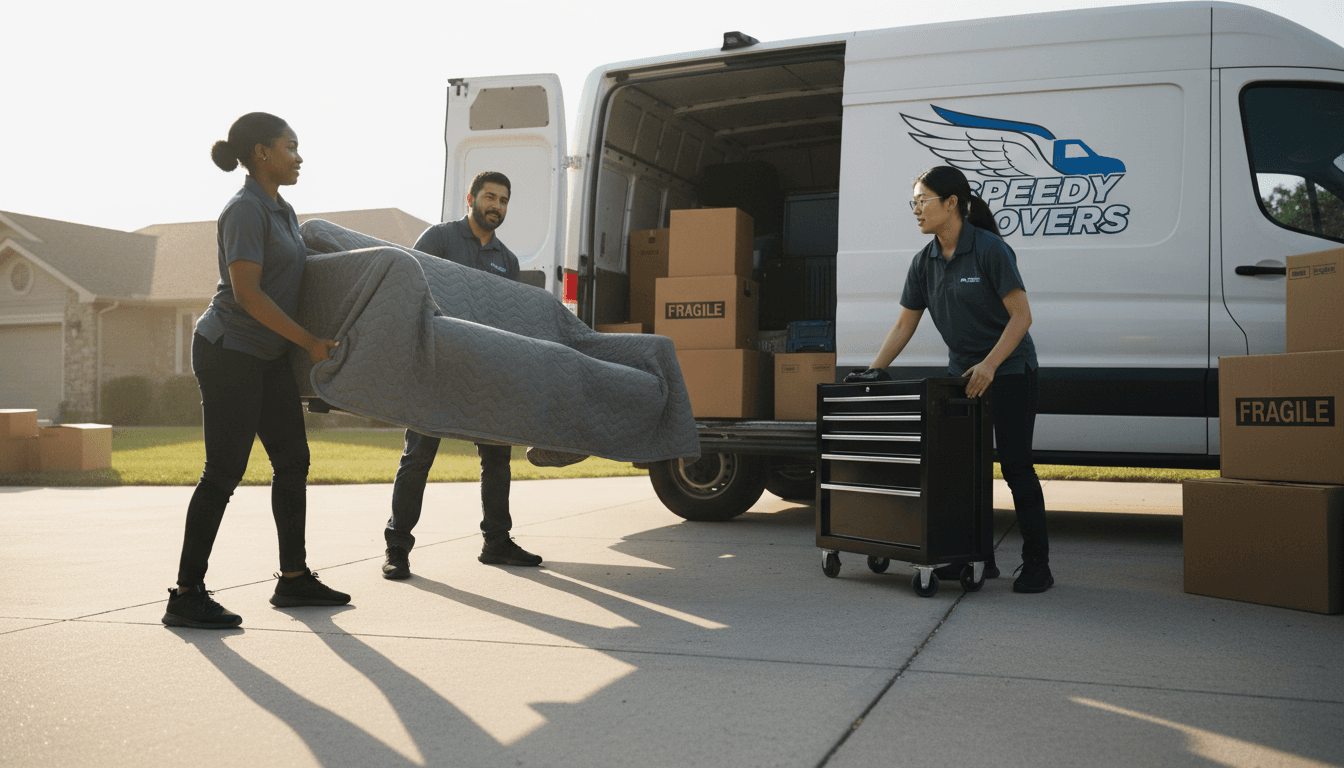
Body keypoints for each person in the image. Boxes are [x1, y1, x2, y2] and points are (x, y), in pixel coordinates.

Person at [162, 113, 351, 630]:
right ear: (262, 152)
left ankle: (294, 579)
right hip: (229, 349)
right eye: (291, 146)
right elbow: (247, 294)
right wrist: (309, 343)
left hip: (267, 355)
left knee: (292, 459)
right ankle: (185, 594)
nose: (299, 157)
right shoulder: (244, 210)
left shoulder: (282, 209)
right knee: (224, 470)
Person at [849, 165, 1052, 593]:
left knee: (1015, 465)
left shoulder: (990, 250)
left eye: (922, 200)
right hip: (963, 377)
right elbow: (904, 324)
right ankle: (976, 558)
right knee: (964, 470)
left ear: (952, 203)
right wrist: (875, 368)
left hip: (1010, 370)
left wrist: (990, 365)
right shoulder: (923, 262)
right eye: (914, 202)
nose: (916, 209)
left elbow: (1021, 317)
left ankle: (1038, 565)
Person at [381, 171, 543, 580]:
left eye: (503, 200)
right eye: (490, 197)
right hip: (436, 365)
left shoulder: (507, 260)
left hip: (485, 368)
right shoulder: (439, 239)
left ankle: (497, 541)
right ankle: (397, 547)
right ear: (470, 199)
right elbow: (410, 290)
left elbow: (506, 317)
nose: (496, 206)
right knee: (418, 457)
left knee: (497, 458)